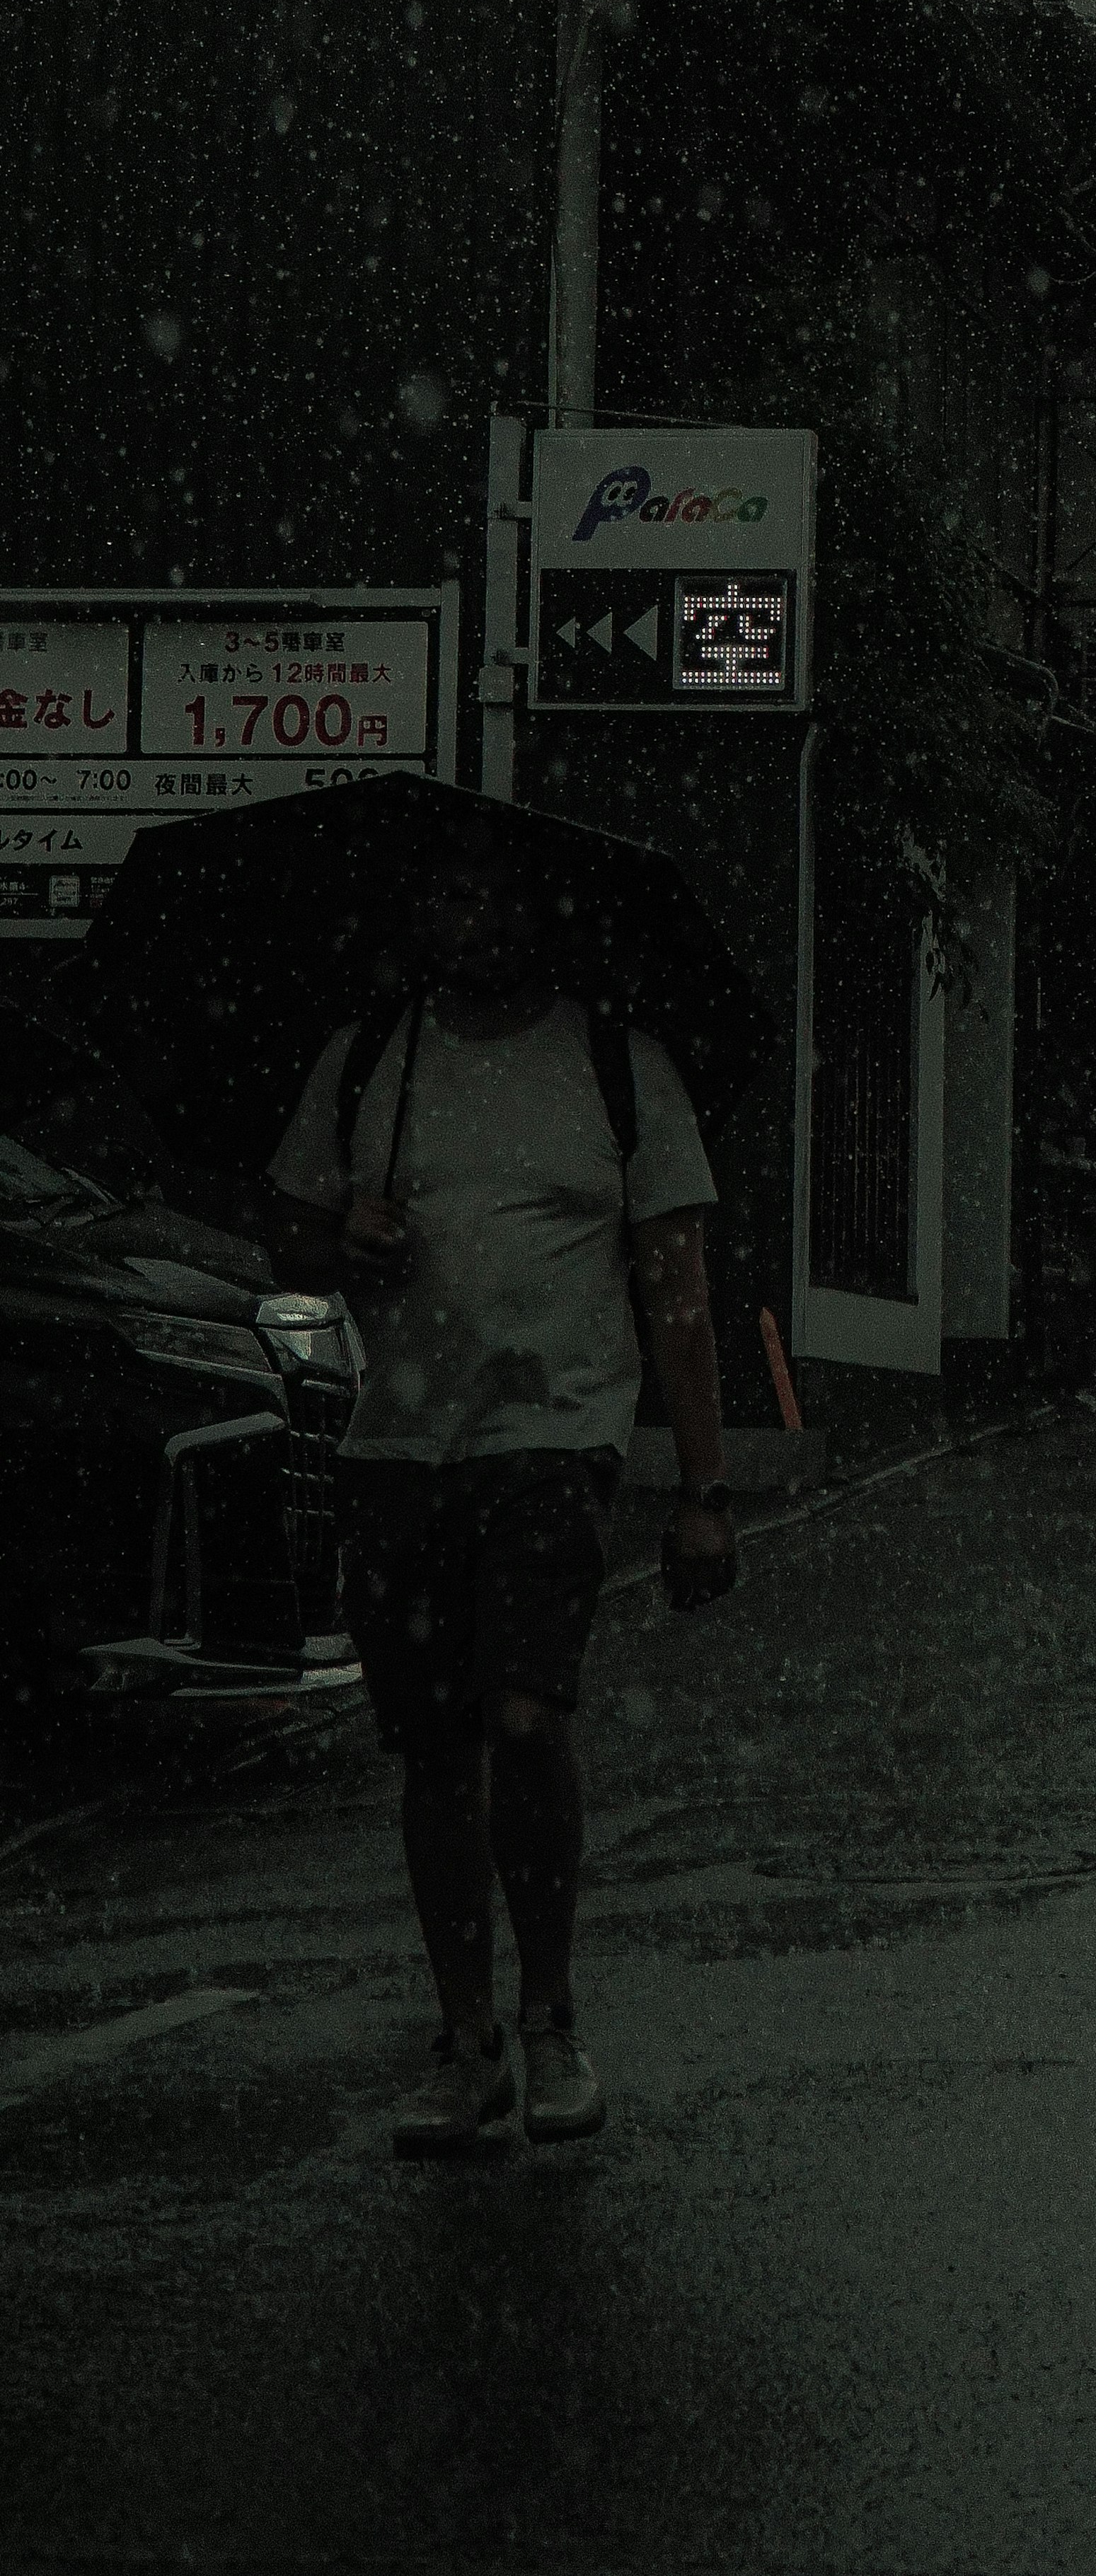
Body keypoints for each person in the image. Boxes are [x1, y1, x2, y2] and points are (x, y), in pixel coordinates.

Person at [267, 815, 733, 2159]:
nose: (471, 921)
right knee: (433, 1751)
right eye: (447, 896)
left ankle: (551, 2017)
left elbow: (680, 1285)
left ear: (537, 915)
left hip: (555, 1436)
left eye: (493, 898)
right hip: (401, 1446)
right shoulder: (368, 1062)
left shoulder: (614, 1065)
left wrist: (703, 1486)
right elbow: (285, 1230)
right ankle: (463, 2038)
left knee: (528, 1717)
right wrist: (337, 1235)